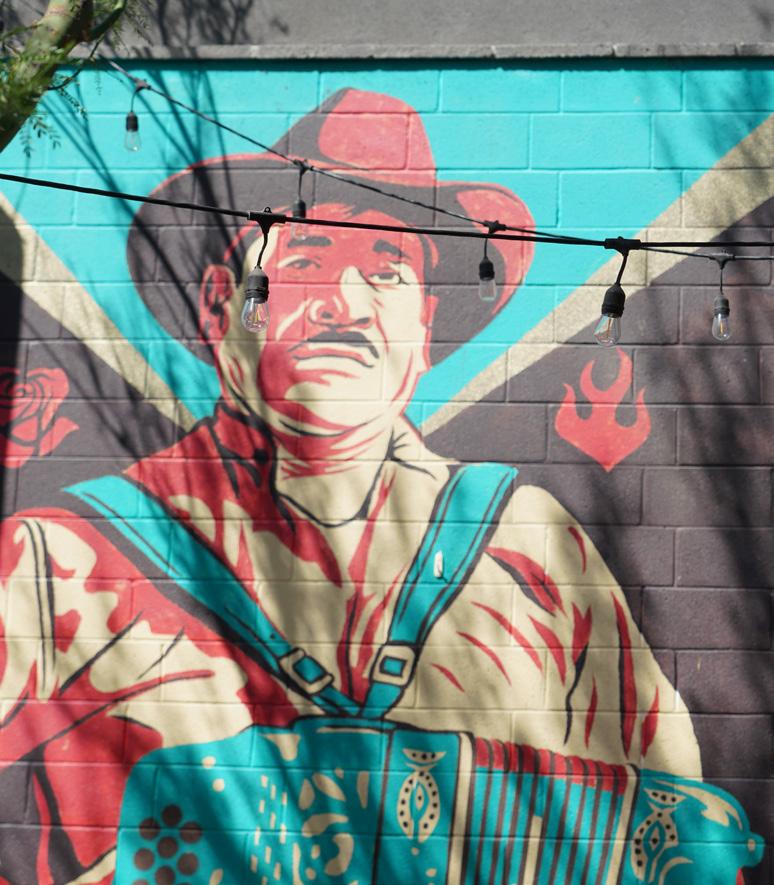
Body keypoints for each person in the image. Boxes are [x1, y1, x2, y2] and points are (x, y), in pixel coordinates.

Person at [0, 89, 701, 884]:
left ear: (424, 328)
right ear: (219, 305)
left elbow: (675, 812)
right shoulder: (57, 560)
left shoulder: (531, 544)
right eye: (304, 262)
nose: (348, 304)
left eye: (387, 270)